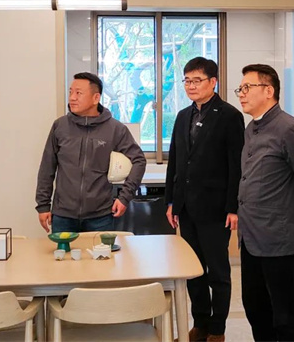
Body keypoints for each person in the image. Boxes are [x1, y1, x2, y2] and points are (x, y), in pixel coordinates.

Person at [235, 64, 294, 342]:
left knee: (286, 316)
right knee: (256, 309)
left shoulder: (288, 128)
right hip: (251, 236)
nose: (241, 93)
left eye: (247, 87)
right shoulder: (251, 129)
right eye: (240, 88)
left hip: (280, 239)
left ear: (268, 91)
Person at [165, 57, 245, 342]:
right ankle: (200, 323)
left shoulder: (230, 116)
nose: (191, 86)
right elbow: (175, 161)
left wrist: (233, 207)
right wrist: (171, 202)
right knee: (193, 271)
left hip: (216, 209)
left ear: (213, 82)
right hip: (186, 208)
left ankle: (217, 330)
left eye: (196, 80)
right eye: (187, 80)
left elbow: (236, 166)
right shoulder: (182, 116)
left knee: (218, 272)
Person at [35, 72, 146, 233]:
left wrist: (124, 198)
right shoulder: (60, 126)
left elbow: (139, 160)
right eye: (71, 92)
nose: (72, 98)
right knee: (63, 251)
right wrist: (43, 205)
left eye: (78, 93)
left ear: (96, 98)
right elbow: (47, 167)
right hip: (63, 216)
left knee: (101, 251)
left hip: (101, 217)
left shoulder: (115, 129)